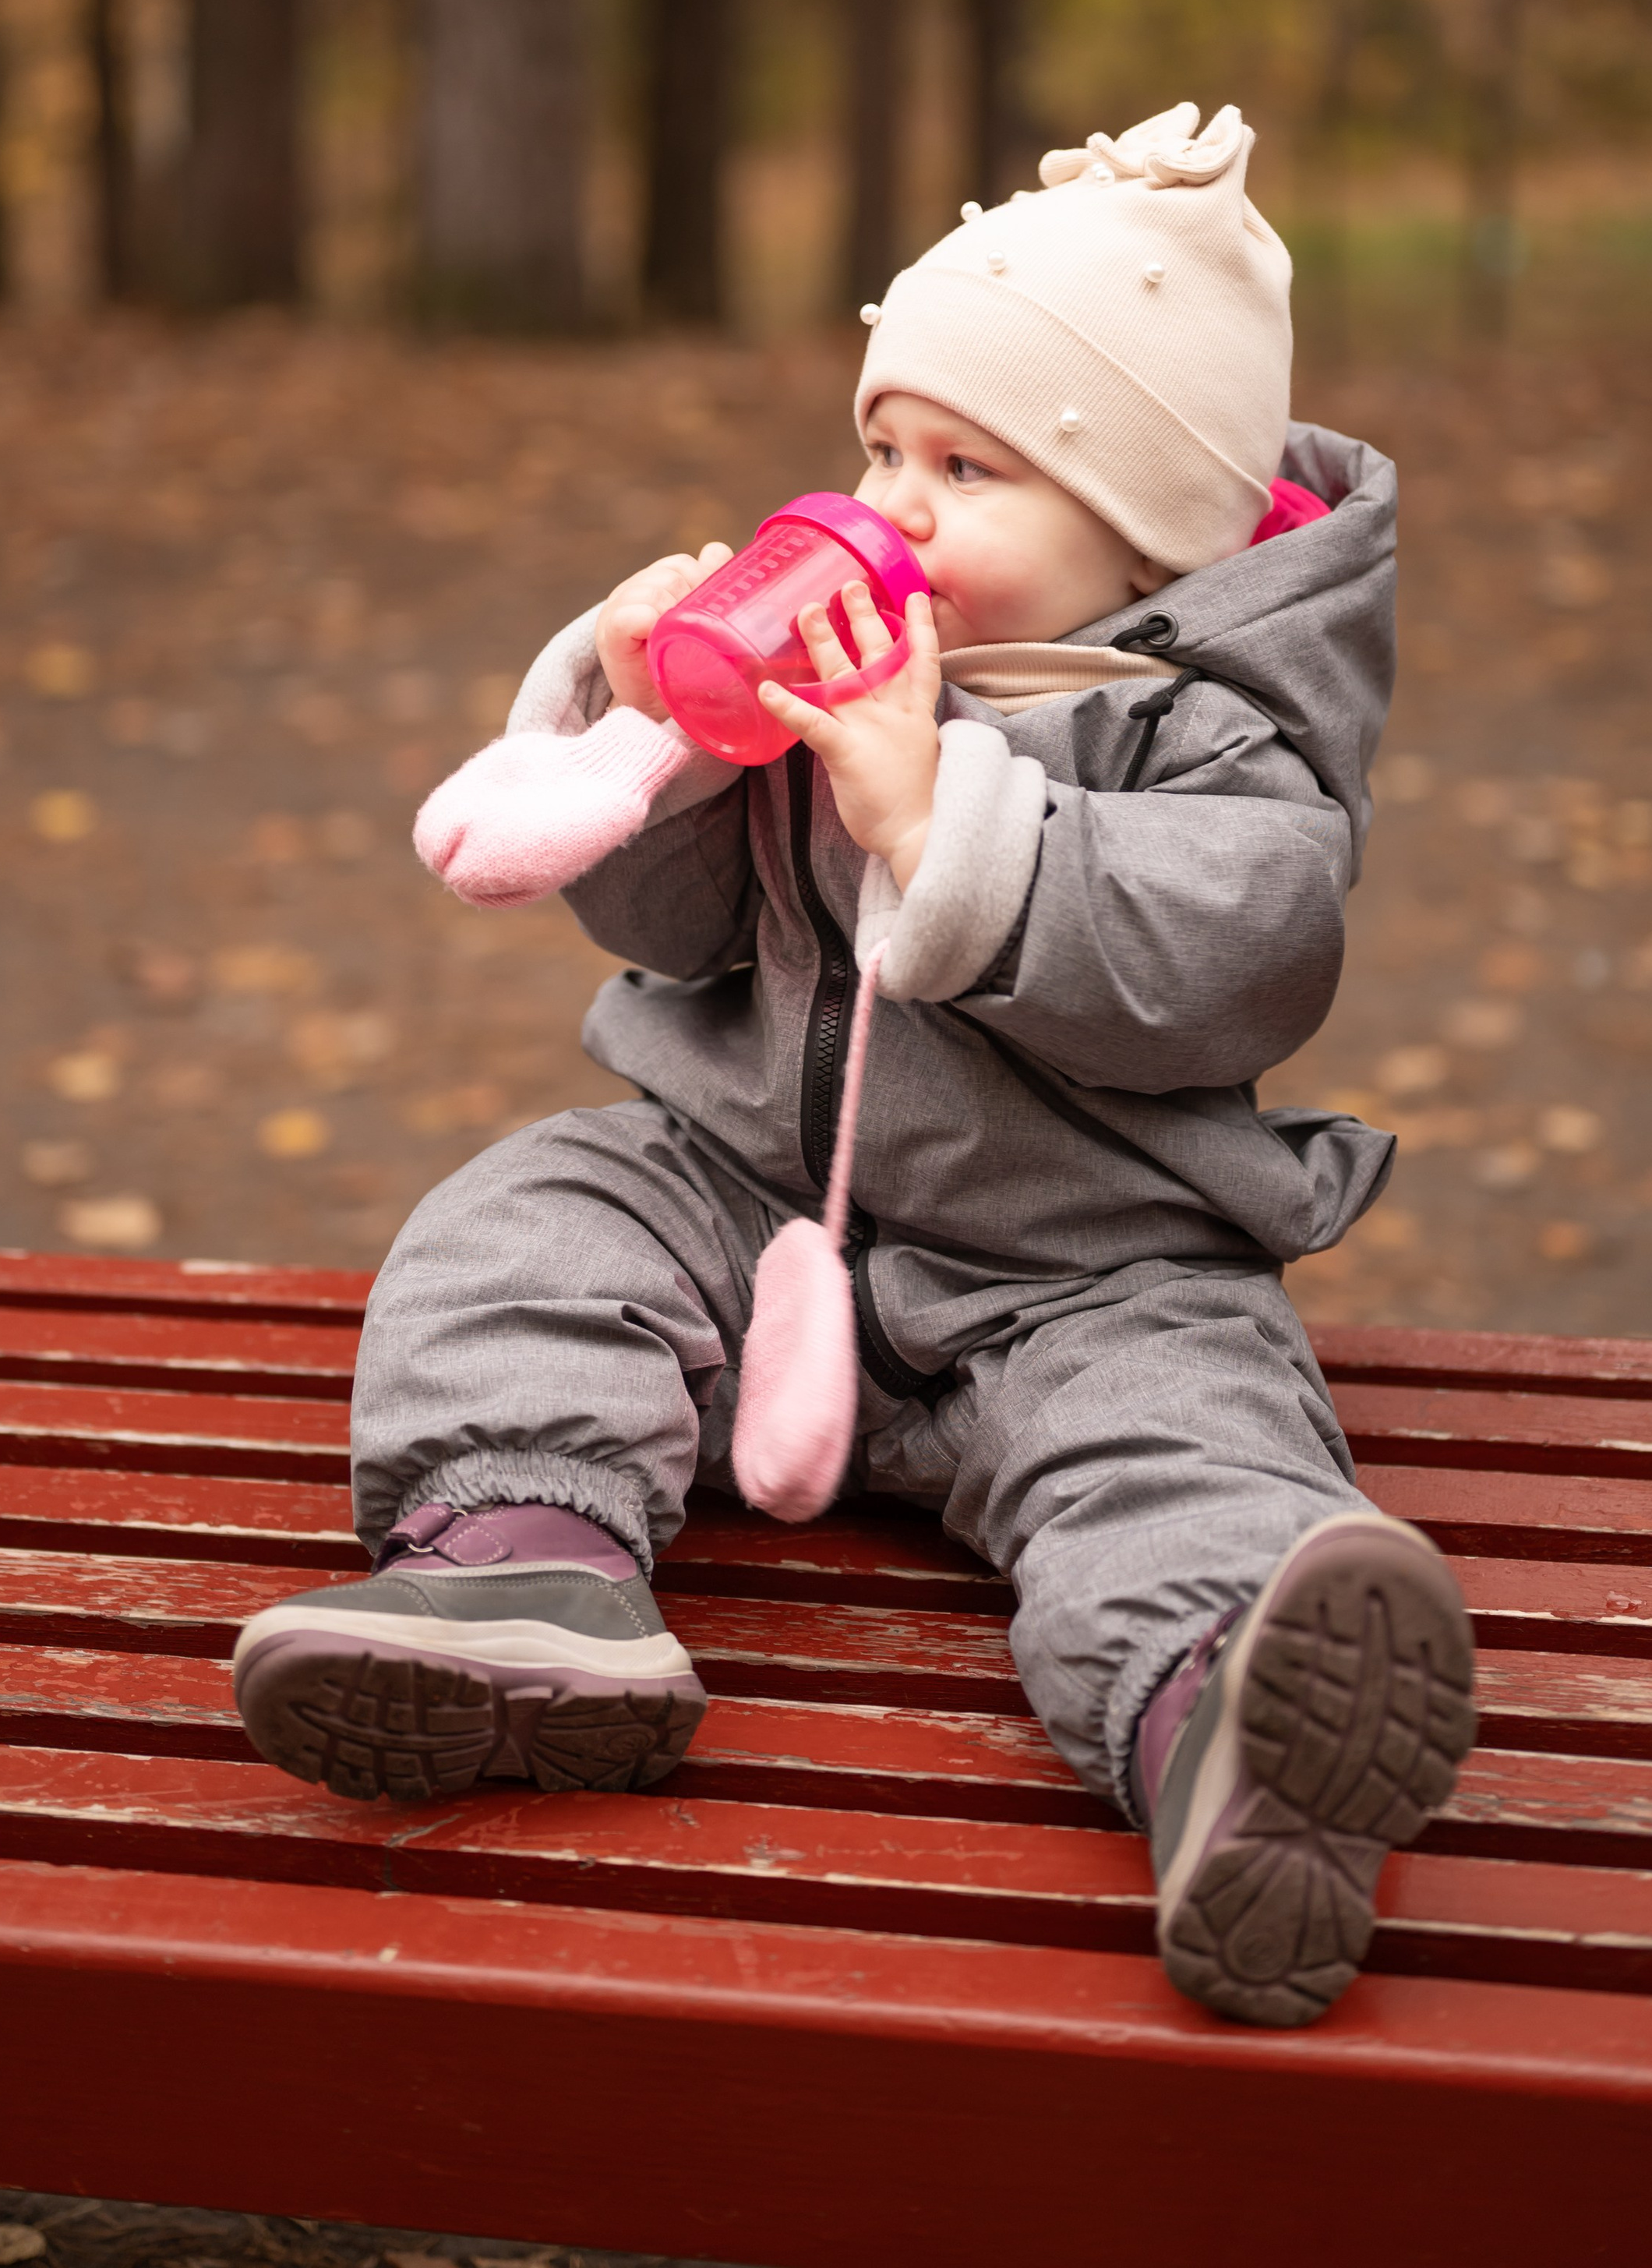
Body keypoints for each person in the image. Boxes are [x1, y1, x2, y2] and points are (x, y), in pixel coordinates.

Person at [231, 100, 1477, 2029]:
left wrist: (945, 821)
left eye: (965, 468)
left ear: (1153, 529)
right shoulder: (844, 671)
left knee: (1185, 1446)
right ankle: (520, 1558)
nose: (889, 505)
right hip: (751, 1206)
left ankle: (1227, 1724)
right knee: (531, 1211)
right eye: (878, 445)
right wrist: (659, 735)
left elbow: (1236, 963)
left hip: (1085, 1268)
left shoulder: (1210, 738)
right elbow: (671, 936)